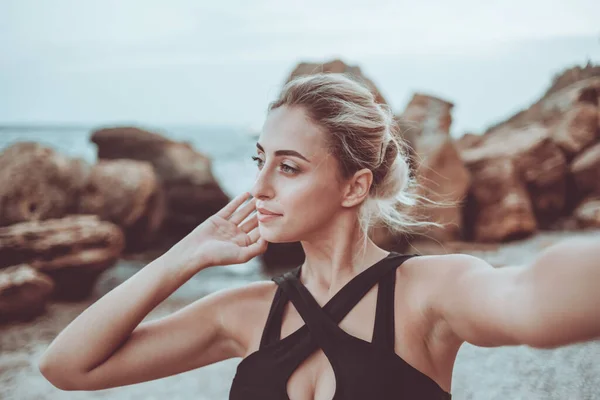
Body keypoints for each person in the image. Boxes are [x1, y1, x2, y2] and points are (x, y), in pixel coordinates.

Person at [38, 73, 600, 399]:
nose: (258, 186)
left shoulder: (430, 290)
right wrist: (182, 258)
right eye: (258, 160)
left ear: (354, 186)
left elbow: (532, 299)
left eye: (288, 166)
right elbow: (67, 367)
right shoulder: (241, 312)